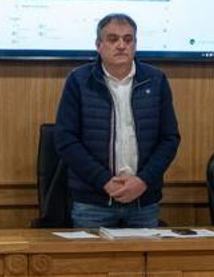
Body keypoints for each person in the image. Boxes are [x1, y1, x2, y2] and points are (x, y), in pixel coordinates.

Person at [54, 13, 181, 229]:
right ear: (99, 45)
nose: (121, 45)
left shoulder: (156, 80)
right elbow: (66, 140)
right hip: (93, 202)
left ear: (135, 44)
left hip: (143, 200)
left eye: (128, 39)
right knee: (89, 262)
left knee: (144, 263)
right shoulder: (79, 80)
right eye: (113, 39)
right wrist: (104, 180)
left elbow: (169, 139)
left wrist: (143, 181)